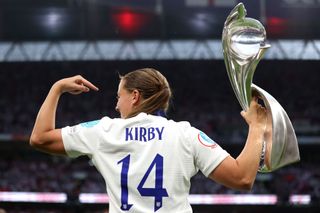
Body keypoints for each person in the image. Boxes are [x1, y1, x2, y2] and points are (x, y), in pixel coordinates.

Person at [30, 68, 267, 213]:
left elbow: (40, 138)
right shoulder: (186, 134)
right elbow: (242, 178)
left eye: (118, 97)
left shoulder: (104, 130)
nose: (116, 104)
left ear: (134, 96)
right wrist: (257, 127)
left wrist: (57, 88)